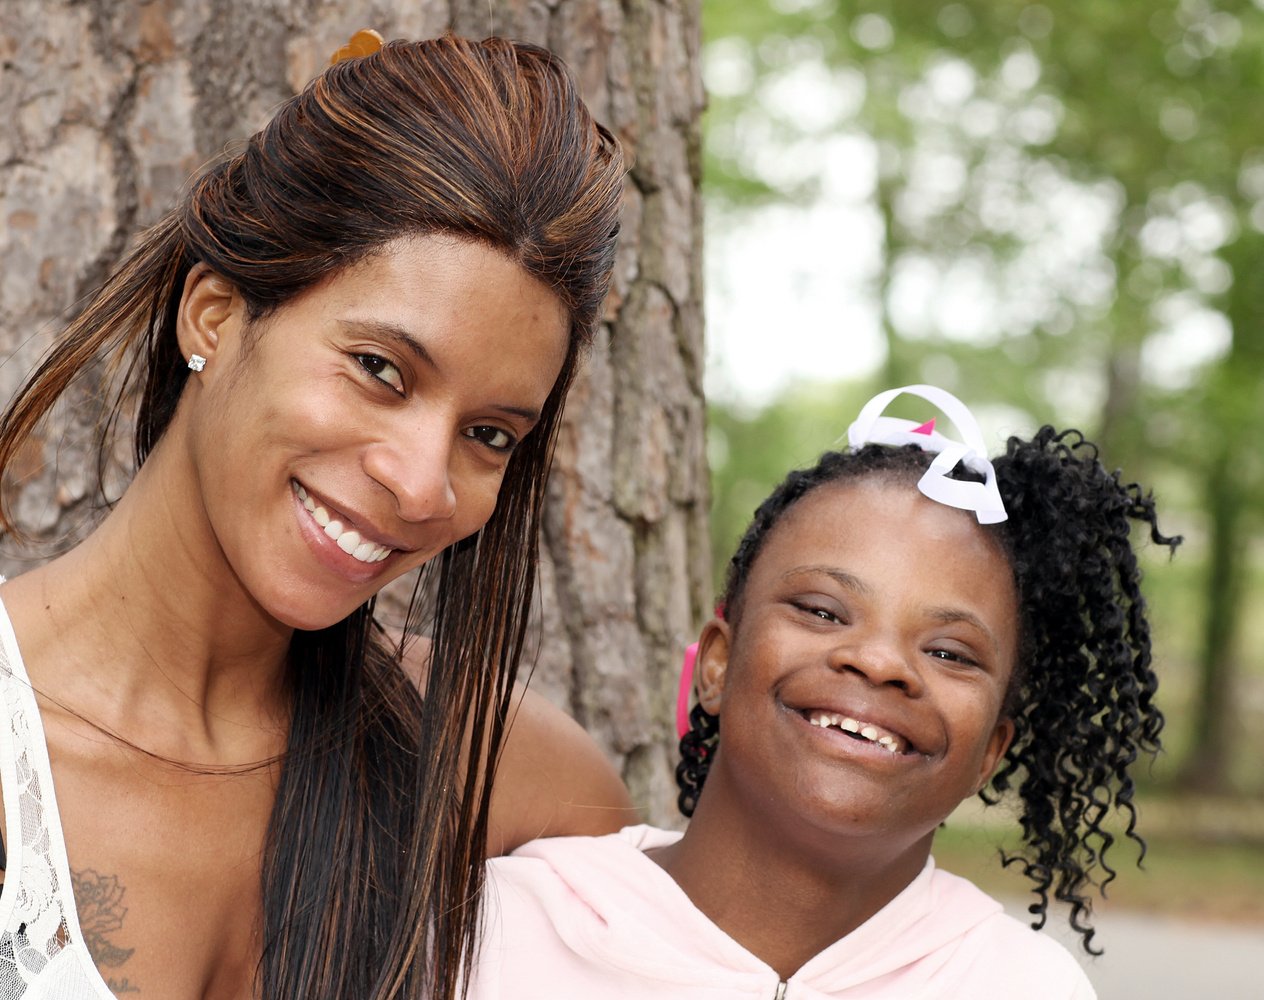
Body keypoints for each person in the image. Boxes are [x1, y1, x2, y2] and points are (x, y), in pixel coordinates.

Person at [0, 32, 633, 1000]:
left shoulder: (518, 787)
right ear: (213, 313)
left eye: (491, 434)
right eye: (380, 370)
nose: (423, 486)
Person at [468, 384, 1179, 998]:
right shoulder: (500, 927)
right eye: (821, 610)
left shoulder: (1025, 987)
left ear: (991, 752)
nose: (878, 662)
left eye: (947, 651)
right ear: (715, 665)